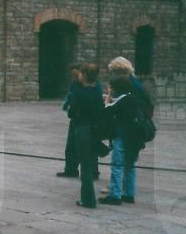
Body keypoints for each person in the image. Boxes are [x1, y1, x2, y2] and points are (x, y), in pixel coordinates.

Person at [99, 76, 145, 204]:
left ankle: (115, 195)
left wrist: (107, 100)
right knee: (130, 164)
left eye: (112, 88)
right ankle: (129, 193)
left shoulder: (122, 100)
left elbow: (106, 111)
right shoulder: (132, 98)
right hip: (134, 136)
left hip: (122, 135)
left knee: (117, 165)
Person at [69, 62, 105, 208]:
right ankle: (88, 198)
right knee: (90, 161)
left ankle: (88, 199)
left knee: (85, 166)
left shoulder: (80, 92)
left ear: (83, 75)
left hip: (82, 129)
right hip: (95, 129)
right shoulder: (97, 90)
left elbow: (71, 112)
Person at [56, 64, 82, 178]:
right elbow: (70, 96)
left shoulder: (87, 85)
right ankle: (71, 169)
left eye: (76, 75)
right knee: (71, 145)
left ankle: (92, 172)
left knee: (83, 146)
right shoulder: (74, 84)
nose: (74, 77)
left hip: (82, 118)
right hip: (76, 117)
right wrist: (66, 106)